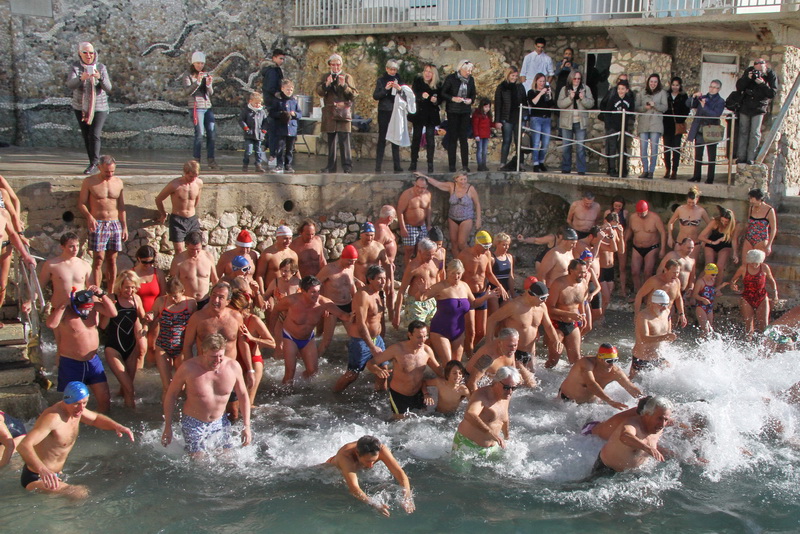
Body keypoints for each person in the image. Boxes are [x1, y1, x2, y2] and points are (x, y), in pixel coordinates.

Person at [18, 382, 133, 497]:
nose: (81, 408)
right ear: (66, 401)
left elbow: (95, 419)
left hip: (56, 475)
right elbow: (23, 445)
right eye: (77, 404)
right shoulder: (53, 418)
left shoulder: (77, 411)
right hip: (37, 477)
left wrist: (116, 426)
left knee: (114, 473)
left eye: (84, 403)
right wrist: (42, 470)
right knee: (79, 493)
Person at [162, 334, 251, 458]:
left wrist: (246, 426)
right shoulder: (188, 368)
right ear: (204, 352)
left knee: (228, 459)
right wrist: (168, 426)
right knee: (199, 461)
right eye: (213, 357)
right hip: (194, 422)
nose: (218, 360)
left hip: (220, 421)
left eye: (221, 356)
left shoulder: (233, 366)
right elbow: (171, 395)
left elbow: (243, 395)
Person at [46, 283, 116, 412]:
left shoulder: (94, 308)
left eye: (89, 308)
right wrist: (63, 304)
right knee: (72, 403)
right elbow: (51, 324)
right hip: (71, 363)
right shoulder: (66, 311)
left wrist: (102, 294)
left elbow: (113, 313)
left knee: (105, 397)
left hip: (93, 361)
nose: (86, 312)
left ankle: (103, 427)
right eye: (84, 309)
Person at [272, 276, 351, 385]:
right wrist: (274, 335)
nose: (316, 295)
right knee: (290, 372)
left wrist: (355, 314)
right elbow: (275, 310)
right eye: (313, 292)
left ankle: (299, 381)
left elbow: (343, 315)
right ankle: (285, 396)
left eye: (318, 291)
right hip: (290, 337)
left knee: (313, 371)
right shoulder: (291, 301)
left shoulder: (324, 303)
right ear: (303, 291)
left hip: (308, 338)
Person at [421, 259, 495, 365]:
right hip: (439, 331)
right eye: (453, 274)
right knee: (448, 365)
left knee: (456, 366)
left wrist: (486, 297)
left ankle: (446, 379)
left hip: (458, 332)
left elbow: (473, 304)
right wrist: (421, 291)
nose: (456, 277)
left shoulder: (464, 286)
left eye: (459, 274)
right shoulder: (440, 286)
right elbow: (422, 298)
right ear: (448, 272)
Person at [366, 320, 441, 419]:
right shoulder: (397, 349)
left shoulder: (427, 350)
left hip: (418, 393)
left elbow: (439, 371)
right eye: (419, 337)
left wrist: (457, 378)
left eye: (425, 336)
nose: (423, 340)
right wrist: (378, 371)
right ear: (409, 335)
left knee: (421, 422)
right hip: (399, 395)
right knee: (400, 425)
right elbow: (370, 363)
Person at [325, 435, 415, 517]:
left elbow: (400, 474)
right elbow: (354, 489)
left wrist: (407, 497)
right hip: (330, 471)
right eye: (368, 461)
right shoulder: (346, 456)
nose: (371, 466)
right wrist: (374, 503)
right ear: (357, 453)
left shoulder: (381, 450)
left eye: (374, 461)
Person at [334, 265, 388, 392]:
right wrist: (372, 347)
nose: (383, 282)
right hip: (361, 341)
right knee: (353, 374)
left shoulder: (379, 293)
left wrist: (381, 337)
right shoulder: (363, 295)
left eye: (385, 278)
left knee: (384, 370)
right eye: (380, 279)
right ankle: (334, 394)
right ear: (370, 279)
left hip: (377, 338)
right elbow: (361, 323)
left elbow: (381, 317)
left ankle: (381, 399)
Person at [592, 396, 673, 476]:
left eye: (666, 420)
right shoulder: (633, 423)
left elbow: (677, 424)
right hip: (607, 470)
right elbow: (625, 436)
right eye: (659, 419)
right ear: (647, 414)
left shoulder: (659, 424)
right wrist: (647, 448)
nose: (662, 424)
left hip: (632, 474)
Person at [78, 155, 127, 289]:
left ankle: (110, 290)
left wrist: (124, 226)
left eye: (112, 171)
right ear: (99, 168)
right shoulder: (89, 182)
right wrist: (89, 217)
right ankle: (97, 290)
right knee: (98, 259)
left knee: (112, 259)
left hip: (114, 223)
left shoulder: (118, 182)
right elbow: (81, 203)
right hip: (98, 223)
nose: (109, 174)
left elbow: (121, 207)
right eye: (107, 171)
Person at [100, 271, 146, 409]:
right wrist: (110, 309)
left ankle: (121, 413)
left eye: (133, 287)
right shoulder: (111, 298)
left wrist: (146, 324)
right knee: (130, 390)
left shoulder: (136, 299)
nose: (130, 290)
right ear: (120, 286)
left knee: (125, 389)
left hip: (131, 349)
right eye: (127, 287)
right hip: (113, 349)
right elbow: (102, 325)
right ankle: (132, 420)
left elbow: (143, 317)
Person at [459, 231, 508, 358]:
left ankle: (468, 351)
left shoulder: (487, 254)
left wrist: (500, 286)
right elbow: (456, 276)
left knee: (482, 332)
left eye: (488, 247)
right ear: (477, 243)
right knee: (471, 332)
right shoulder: (464, 255)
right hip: (468, 296)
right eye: (485, 246)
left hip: (482, 294)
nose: (487, 249)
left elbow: (489, 274)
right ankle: (468, 356)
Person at [452, 366, 520, 457]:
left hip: (492, 447)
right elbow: (469, 414)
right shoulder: (481, 395)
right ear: (496, 382)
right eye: (507, 387)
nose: (510, 392)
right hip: (466, 444)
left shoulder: (506, 395)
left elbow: (504, 418)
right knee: (459, 472)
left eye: (513, 388)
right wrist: (491, 433)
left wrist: (507, 438)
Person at [485, 279, 560, 360]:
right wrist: (489, 342)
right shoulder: (514, 306)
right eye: (542, 298)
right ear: (531, 295)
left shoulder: (542, 306)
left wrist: (556, 340)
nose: (545, 300)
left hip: (530, 352)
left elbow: (548, 326)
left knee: (532, 372)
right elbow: (492, 319)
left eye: (546, 297)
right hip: (513, 352)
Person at [66, 42, 112, 175]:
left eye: (91, 53)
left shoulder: (101, 67)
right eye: (85, 53)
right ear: (80, 54)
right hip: (81, 107)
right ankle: (92, 161)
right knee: (86, 135)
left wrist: (100, 77)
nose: (88, 56)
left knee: (94, 134)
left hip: (99, 107)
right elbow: (70, 84)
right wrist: (82, 78)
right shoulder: (75, 67)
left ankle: (95, 163)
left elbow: (109, 88)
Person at [150, 276, 196, 403]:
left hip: (181, 348)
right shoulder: (161, 301)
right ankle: (165, 417)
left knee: (181, 386)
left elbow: (196, 324)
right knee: (167, 386)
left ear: (182, 292)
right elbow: (152, 314)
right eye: (170, 296)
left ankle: (182, 413)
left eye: (176, 296)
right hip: (162, 346)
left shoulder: (191, 303)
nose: (173, 299)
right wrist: (148, 317)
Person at [558, 344, 642, 409]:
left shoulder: (615, 371)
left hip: (591, 405)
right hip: (566, 403)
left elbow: (630, 386)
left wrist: (644, 399)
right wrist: (610, 401)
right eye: (609, 361)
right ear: (600, 359)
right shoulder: (586, 363)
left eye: (615, 360)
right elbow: (591, 384)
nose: (612, 364)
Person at [418, 171, 481, 258]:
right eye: (461, 179)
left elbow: (477, 203)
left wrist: (478, 219)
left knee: (462, 243)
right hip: (452, 218)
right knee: (454, 243)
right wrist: (424, 176)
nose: (463, 181)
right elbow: (437, 184)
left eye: (465, 179)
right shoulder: (451, 186)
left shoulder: (470, 189)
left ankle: (472, 259)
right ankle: (458, 263)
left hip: (466, 218)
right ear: (456, 179)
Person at [229, 290, 274, 406]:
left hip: (254, 360)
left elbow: (272, 343)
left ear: (241, 309)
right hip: (236, 360)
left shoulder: (254, 320)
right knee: (234, 401)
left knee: (248, 402)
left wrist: (252, 338)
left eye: (233, 310)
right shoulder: (228, 319)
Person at [181, 282, 243, 365]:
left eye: (221, 297)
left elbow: (243, 344)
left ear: (228, 301)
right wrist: (189, 367)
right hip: (204, 368)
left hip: (228, 368)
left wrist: (250, 370)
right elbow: (187, 345)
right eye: (213, 295)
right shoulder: (197, 317)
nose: (215, 300)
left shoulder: (236, 317)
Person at [316, 54, 358, 173]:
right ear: (329, 65)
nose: (335, 67)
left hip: (343, 112)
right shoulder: (325, 76)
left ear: (341, 65)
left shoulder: (347, 76)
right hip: (330, 112)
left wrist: (344, 85)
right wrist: (326, 84)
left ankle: (347, 166)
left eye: (338, 64)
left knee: (344, 139)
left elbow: (354, 94)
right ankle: (331, 166)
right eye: (333, 64)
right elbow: (319, 92)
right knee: (331, 140)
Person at [317, 245, 359, 359]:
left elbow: (351, 286)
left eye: (354, 262)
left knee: (355, 336)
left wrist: (358, 304)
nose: (351, 264)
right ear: (342, 257)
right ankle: (314, 363)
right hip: (332, 306)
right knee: (327, 340)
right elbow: (314, 286)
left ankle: (355, 360)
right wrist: (322, 305)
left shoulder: (351, 268)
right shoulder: (329, 269)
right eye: (349, 261)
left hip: (348, 305)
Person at [546, 259, 589, 366]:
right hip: (557, 324)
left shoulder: (583, 283)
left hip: (572, 324)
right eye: (579, 272)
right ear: (571, 270)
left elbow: (581, 302)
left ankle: (573, 382)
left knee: (576, 360)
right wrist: (569, 314)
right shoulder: (559, 284)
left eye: (584, 272)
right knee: (553, 360)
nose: (582, 275)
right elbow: (549, 308)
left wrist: (583, 315)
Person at [464, 328, 535, 392]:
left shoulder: (509, 349)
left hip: (496, 380)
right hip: (474, 383)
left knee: (531, 384)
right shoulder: (488, 357)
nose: (513, 349)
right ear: (499, 343)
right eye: (510, 346)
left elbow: (512, 369)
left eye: (515, 345)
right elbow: (471, 383)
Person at [735, 58, 778, 165]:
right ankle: (741, 157)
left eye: (761, 67)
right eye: (756, 66)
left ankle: (751, 157)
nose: (758, 70)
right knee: (743, 131)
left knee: (755, 133)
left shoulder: (770, 74)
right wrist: (747, 79)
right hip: (746, 106)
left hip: (759, 107)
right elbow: (739, 87)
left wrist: (763, 84)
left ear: (765, 66)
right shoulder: (749, 72)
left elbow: (772, 93)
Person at [155, 160, 203, 253]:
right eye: (190, 176)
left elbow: (197, 199)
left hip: (192, 219)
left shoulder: (199, 183)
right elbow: (158, 199)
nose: (193, 179)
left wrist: (192, 210)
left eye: (195, 176)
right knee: (179, 250)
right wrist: (163, 214)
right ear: (185, 173)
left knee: (196, 248)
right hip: (178, 219)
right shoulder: (175, 184)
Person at [730, 249, 778, 340]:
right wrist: (733, 286)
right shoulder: (743, 268)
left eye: (757, 263)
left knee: (764, 324)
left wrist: (775, 293)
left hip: (762, 296)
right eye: (752, 263)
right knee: (749, 325)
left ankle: (764, 345)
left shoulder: (764, 267)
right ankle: (748, 344)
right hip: (747, 297)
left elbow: (771, 280)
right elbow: (733, 280)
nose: (754, 265)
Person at [394, 238, 440, 329]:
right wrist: (397, 315)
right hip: (416, 304)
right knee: (416, 334)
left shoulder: (435, 262)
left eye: (433, 254)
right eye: (428, 255)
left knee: (433, 333)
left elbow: (439, 282)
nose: (431, 257)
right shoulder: (412, 267)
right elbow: (402, 291)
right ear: (419, 251)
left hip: (432, 302)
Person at [39, 232, 91, 310]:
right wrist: (30, 301)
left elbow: (92, 288)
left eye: (77, 246)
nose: (75, 249)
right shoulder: (52, 264)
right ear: (62, 247)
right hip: (59, 308)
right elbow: (40, 285)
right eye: (71, 246)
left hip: (79, 307)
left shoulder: (85, 265)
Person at [630, 290, 677, 378]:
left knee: (672, 373)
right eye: (661, 305)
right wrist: (665, 337)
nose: (664, 308)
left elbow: (668, 331)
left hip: (658, 356)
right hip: (642, 358)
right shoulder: (644, 316)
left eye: (666, 304)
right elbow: (644, 339)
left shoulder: (666, 312)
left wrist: (669, 336)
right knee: (633, 384)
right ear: (653, 303)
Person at [440, 60, 477, 172]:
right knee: (452, 137)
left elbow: (473, 94)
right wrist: (452, 98)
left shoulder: (471, 80)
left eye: (470, 70)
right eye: (467, 70)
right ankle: (452, 165)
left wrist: (471, 100)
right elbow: (443, 93)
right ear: (461, 69)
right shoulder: (451, 78)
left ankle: (465, 165)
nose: (469, 73)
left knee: (463, 138)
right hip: (453, 111)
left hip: (465, 111)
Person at [184, 51, 218, 170]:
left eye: (202, 63)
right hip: (195, 107)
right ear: (193, 63)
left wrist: (209, 85)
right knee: (199, 134)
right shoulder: (188, 76)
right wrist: (197, 82)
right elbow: (187, 92)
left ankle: (211, 160)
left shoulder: (205, 74)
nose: (200, 66)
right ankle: (196, 161)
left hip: (207, 106)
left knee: (212, 133)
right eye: (198, 63)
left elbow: (210, 93)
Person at [626, 200, 666, 298]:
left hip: (651, 247)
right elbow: (630, 230)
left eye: (642, 213)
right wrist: (624, 242)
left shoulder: (655, 218)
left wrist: (662, 249)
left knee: (647, 272)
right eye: (638, 213)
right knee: (634, 272)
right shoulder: (633, 217)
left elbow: (663, 233)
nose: (640, 215)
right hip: (637, 247)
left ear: (647, 210)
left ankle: (647, 293)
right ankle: (638, 292)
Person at [688, 80, 725, 184]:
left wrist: (705, 107)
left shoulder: (720, 101)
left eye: (714, 87)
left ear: (718, 89)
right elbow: (689, 104)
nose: (711, 89)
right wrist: (694, 96)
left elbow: (715, 114)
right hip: (700, 128)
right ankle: (696, 176)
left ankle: (710, 178)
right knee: (698, 154)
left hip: (711, 129)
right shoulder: (703, 97)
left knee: (711, 155)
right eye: (710, 86)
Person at [558, 70, 594, 175]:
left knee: (580, 147)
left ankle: (581, 169)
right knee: (566, 147)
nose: (577, 80)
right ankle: (566, 168)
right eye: (575, 78)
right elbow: (560, 104)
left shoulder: (586, 89)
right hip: (567, 122)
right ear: (571, 78)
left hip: (580, 121)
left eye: (579, 78)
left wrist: (583, 99)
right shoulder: (564, 89)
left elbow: (591, 103)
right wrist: (570, 98)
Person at [170, 231, 218, 308]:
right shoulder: (178, 260)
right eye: (192, 250)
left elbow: (215, 280)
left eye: (198, 250)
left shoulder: (208, 257)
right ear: (186, 245)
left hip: (205, 301)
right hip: (186, 301)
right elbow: (173, 283)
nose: (195, 253)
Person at [409, 63, 441, 173]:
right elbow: (413, 94)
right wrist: (421, 96)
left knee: (430, 139)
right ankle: (413, 162)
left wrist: (435, 100)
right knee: (416, 137)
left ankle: (430, 164)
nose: (427, 74)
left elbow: (440, 98)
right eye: (426, 71)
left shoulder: (437, 84)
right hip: (419, 113)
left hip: (431, 114)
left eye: (430, 72)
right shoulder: (418, 81)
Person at [634, 258, 686, 326]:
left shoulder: (677, 282)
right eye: (673, 272)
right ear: (665, 270)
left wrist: (682, 314)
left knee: (668, 336)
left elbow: (678, 298)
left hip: (666, 317)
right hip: (652, 316)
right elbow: (639, 295)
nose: (676, 275)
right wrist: (637, 314)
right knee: (649, 336)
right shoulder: (655, 281)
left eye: (677, 272)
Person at [373, 59, 404, 173]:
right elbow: (376, 96)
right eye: (391, 69)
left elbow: (405, 95)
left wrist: (399, 89)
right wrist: (386, 89)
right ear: (387, 69)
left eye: (395, 70)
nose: (393, 71)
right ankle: (378, 165)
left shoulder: (399, 80)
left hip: (396, 111)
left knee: (395, 139)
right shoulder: (381, 80)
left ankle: (397, 165)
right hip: (384, 111)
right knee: (382, 138)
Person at [636, 73, 668, 179]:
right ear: (648, 82)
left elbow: (665, 108)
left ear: (658, 83)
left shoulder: (662, 93)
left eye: (655, 82)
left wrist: (656, 105)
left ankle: (651, 170)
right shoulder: (642, 93)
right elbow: (637, 107)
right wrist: (645, 107)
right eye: (651, 82)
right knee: (643, 148)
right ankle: (645, 169)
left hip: (656, 123)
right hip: (644, 123)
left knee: (654, 148)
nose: (653, 84)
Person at [494, 66, 527, 168]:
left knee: (519, 141)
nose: (514, 78)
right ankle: (503, 163)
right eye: (512, 75)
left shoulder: (520, 87)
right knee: (507, 140)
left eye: (516, 76)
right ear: (508, 75)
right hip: (506, 118)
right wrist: (497, 120)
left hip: (518, 117)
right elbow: (498, 104)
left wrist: (526, 118)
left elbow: (524, 102)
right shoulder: (502, 87)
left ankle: (520, 163)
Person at [698, 206, 738, 286]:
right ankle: (699, 285)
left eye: (726, 221)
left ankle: (717, 287)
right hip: (712, 243)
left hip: (725, 245)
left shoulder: (734, 225)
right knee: (709, 266)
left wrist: (735, 253)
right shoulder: (714, 222)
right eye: (722, 220)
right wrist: (714, 242)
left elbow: (734, 240)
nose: (724, 223)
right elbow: (701, 236)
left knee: (720, 266)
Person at [601, 80, 634, 177]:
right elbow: (607, 113)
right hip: (612, 127)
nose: (620, 91)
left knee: (622, 148)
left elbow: (631, 112)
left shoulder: (629, 100)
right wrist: (609, 126)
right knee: (612, 148)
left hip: (623, 127)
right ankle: (611, 169)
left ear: (627, 90)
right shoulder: (613, 99)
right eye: (619, 89)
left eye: (623, 89)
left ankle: (622, 169)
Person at [397, 174, 432, 262]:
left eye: (422, 187)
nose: (419, 189)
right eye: (417, 186)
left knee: (421, 250)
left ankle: (419, 270)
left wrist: (428, 225)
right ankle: (408, 270)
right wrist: (403, 228)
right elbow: (400, 211)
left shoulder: (428, 194)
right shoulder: (407, 194)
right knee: (409, 250)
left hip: (422, 225)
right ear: (414, 184)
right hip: (410, 225)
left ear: (426, 187)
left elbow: (428, 209)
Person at [256, 225, 299, 297]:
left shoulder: (293, 254)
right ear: (277, 238)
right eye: (285, 238)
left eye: (290, 238)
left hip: (289, 293)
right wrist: (263, 294)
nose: (288, 241)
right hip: (272, 293)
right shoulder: (268, 254)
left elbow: (297, 273)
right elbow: (259, 275)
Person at [269, 79, 301, 174]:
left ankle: (288, 165)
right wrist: (281, 114)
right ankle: (279, 165)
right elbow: (272, 113)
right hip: (281, 127)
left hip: (292, 128)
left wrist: (294, 114)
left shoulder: (294, 101)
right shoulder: (277, 101)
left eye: (291, 90)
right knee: (280, 147)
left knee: (290, 148)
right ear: (282, 89)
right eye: (287, 89)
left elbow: (300, 114)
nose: (289, 92)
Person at [666, 187, 710, 255]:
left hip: (694, 243)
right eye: (689, 202)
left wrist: (705, 239)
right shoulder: (680, 209)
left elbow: (710, 225)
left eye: (693, 203)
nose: (691, 204)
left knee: (692, 264)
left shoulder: (701, 211)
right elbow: (670, 222)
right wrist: (670, 237)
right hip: (680, 242)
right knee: (677, 262)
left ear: (697, 199)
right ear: (686, 199)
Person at [260, 48, 286, 165]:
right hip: (273, 103)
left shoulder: (273, 70)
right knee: (273, 130)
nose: (281, 61)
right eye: (280, 58)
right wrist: (278, 95)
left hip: (271, 102)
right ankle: (272, 155)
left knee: (272, 129)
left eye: (283, 59)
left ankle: (264, 148)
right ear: (274, 58)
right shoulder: (272, 71)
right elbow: (270, 87)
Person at [527, 72, 556, 172]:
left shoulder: (547, 92)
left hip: (546, 119)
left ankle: (541, 161)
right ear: (536, 81)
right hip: (536, 118)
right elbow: (533, 103)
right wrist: (540, 93)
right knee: (536, 141)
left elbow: (551, 104)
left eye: (543, 81)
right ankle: (535, 163)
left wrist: (549, 95)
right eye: (540, 81)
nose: (542, 83)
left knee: (546, 142)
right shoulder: (531, 92)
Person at [662, 76, 690, 180]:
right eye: (673, 85)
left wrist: (679, 119)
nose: (675, 87)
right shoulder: (666, 95)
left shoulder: (683, 96)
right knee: (666, 149)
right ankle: (667, 169)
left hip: (677, 125)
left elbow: (686, 110)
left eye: (677, 85)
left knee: (676, 149)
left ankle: (674, 170)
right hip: (667, 125)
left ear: (680, 86)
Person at [605, 197, 631, 297]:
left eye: (619, 206)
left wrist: (624, 239)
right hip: (610, 240)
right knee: (609, 264)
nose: (617, 208)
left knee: (622, 267)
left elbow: (628, 227)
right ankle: (609, 289)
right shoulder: (608, 212)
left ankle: (623, 290)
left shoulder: (625, 213)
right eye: (615, 206)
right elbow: (605, 224)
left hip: (620, 240)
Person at [692, 263, 728, 334]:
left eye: (715, 275)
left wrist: (721, 286)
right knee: (705, 330)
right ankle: (701, 343)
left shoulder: (712, 281)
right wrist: (703, 299)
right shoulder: (700, 282)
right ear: (707, 273)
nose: (714, 277)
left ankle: (706, 343)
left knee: (710, 329)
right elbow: (695, 295)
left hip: (709, 307)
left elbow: (711, 291)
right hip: (701, 306)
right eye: (712, 274)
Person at [742, 188, 777, 259]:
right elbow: (748, 223)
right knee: (745, 261)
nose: (751, 201)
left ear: (759, 199)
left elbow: (773, 229)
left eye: (752, 198)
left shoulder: (769, 210)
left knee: (757, 263)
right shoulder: (751, 208)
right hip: (749, 238)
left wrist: (769, 245)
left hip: (761, 239)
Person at [239, 92, 267, 173]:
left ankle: (258, 165)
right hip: (249, 135)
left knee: (258, 151)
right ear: (250, 101)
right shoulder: (246, 111)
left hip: (259, 135)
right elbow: (241, 120)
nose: (258, 105)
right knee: (248, 151)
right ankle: (245, 164)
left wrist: (263, 130)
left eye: (259, 103)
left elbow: (265, 122)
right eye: (256, 103)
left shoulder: (262, 111)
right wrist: (246, 128)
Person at [488, 232, 515, 315]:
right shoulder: (492, 258)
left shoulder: (509, 257)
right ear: (497, 244)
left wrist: (513, 293)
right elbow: (488, 275)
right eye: (504, 245)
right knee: (494, 316)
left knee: (505, 317)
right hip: (494, 292)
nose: (506, 247)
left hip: (505, 292)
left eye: (508, 245)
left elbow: (510, 276)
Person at [471, 97, 493, 172]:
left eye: (489, 107)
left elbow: (490, 124)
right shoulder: (477, 115)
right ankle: (480, 165)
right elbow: (475, 125)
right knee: (479, 150)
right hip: (479, 136)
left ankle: (484, 164)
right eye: (486, 107)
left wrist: (496, 125)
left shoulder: (488, 115)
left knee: (484, 151)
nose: (487, 109)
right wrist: (476, 135)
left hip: (486, 135)